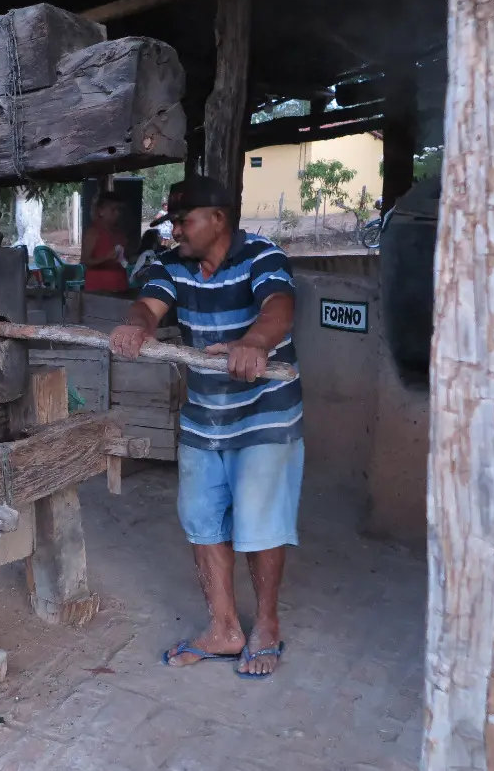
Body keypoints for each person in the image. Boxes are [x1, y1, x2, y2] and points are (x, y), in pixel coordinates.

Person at [110, 175, 302, 680]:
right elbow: (148, 305)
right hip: (202, 416)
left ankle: (266, 626)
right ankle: (223, 629)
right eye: (172, 221)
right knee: (201, 520)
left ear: (218, 219)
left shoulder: (262, 256)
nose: (175, 230)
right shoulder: (171, 264)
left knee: (259, 524)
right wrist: (137, 327)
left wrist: (254, 342)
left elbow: (279, 308)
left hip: (265, 415)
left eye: (184, 220)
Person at [83, 191, 130, 292]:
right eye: (113, 210)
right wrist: (105, 258)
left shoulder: (119, 232)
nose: (117, 213)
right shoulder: (93, 232)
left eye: (119, 210)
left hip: (119, 286)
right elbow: (85, 261)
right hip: (98, 288)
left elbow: (125, 258)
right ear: (101, 211)